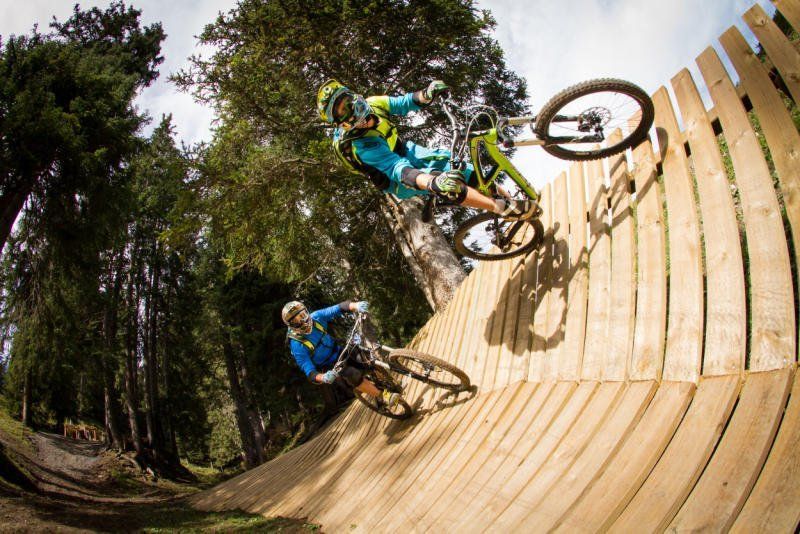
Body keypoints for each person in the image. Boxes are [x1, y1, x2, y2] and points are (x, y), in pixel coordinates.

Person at [316, 79, 538, 220]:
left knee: (464, 170)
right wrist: (433, 182)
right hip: (394, 179)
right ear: (342, 123)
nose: (350, 107)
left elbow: (404, 102)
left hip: (404, 149)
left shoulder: (374, 103)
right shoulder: (362, 146)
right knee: (448, 185)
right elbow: (398, 170)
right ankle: (499, 208)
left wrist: (427, 93)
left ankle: (511, 200)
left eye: (346, 100)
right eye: (343, 111)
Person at [281, 299, 401, 407]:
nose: (302, 320)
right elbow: (309, 371)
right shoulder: (297, 345)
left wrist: (356, 305)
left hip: (339, 349)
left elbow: (338, 308)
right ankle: (382, 396)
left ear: (306, 311)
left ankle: (389, 382)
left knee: (366, 358)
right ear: (291, 325)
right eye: (297, 320)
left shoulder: (316, 317)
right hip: (330, 364)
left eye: (302, 314)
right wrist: (323, 377)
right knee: (352, 374)